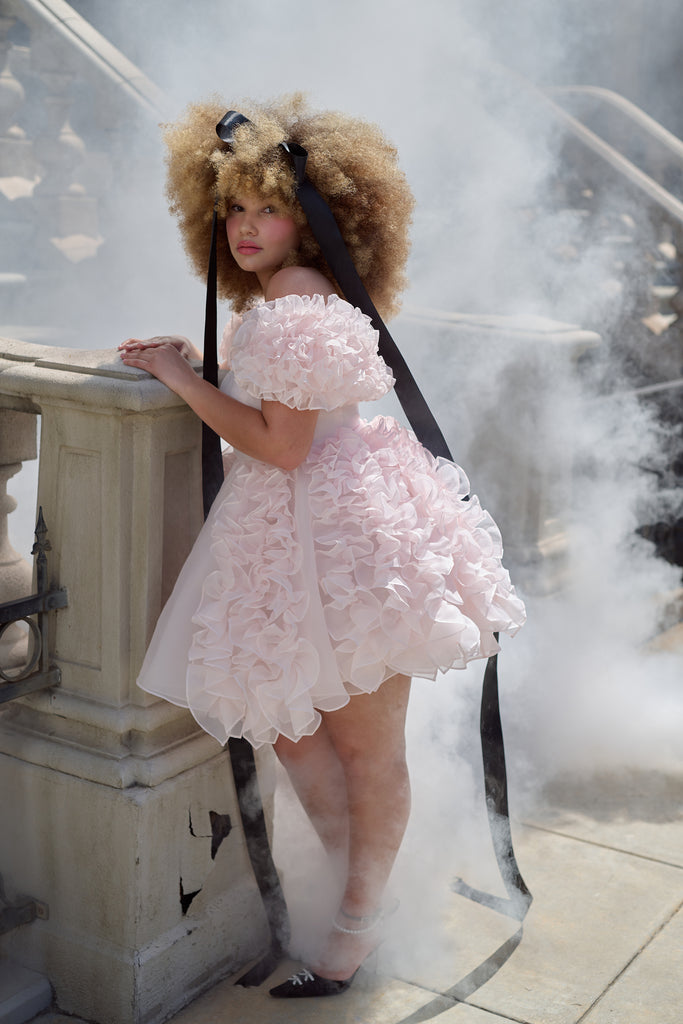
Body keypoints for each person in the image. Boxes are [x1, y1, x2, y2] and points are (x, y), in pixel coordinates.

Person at [119, 95, 526, 999]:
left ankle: (355, 926)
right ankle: (365, 903)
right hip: (298, 529)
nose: (245, 227)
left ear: (312, 219)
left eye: (268, 209)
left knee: (359, 750)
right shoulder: (284, 299)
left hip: (340, 536)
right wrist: (200, 365)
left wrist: (179, 377)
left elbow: (281, 446)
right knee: (299, 737)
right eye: (234, 208)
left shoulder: (296, 304)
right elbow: (277, 409)